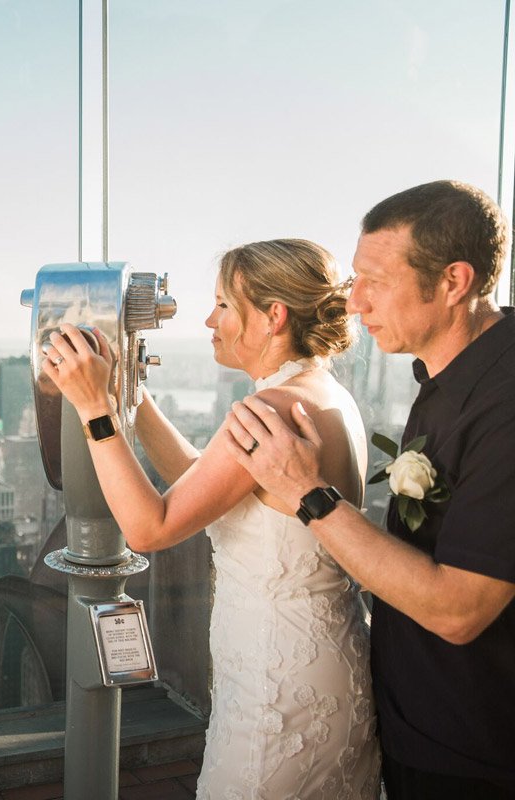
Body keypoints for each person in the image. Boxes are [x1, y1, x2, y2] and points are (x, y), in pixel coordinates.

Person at [44, 239, 380, 798]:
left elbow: (149, 528)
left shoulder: (267, 410)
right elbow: (210, 479)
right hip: (325, 666)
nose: (208, 319)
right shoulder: (321, 395)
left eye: (224, 304)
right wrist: (135, 394)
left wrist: (94, 408)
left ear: (273, 317)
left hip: (277, 692)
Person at [225, 181, 515, 799]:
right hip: (413, 725)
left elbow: (459, 609)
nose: (354, 303)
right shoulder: (451, 374)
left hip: (473, 753)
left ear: (454, 282)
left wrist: (309, 492)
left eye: (375, 281)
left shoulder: (506, 404)